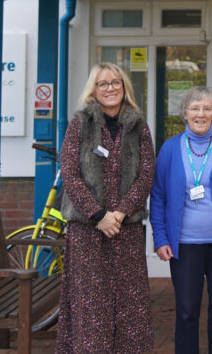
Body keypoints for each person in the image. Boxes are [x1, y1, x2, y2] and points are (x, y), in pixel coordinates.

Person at [56, 62, 155, 353]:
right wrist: (98, 216)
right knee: (91, 303)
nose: (110, 88)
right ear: (94, 90)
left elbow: (147, 173)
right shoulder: (80, 123)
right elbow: (70, 173)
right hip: (88, 231)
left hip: (127, 229)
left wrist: (120, 213)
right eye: (103, 84)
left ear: (124, 88)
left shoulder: (138, 125)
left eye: (115, 83)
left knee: (130, 303)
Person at [150, 86, 212, 354]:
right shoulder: (170, 149)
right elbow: (158, 196)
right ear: (184, 112)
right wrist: (160, 237)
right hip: (184, 244)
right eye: (195, 108)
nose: (201, 114)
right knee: (186, 311)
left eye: (206, 108)